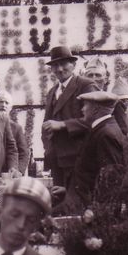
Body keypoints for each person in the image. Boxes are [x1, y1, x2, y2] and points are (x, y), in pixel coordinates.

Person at [53, 90, 125, 214]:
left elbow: (111, 178)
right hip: (80, 200)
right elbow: (90, 172)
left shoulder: (106, 134)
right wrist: (68, 190)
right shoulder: (102, 129)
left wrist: (94, 212)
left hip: (87, 207)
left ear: (95, 110)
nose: (82, 110)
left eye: (85, 105)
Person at [42, 45, 98, 188]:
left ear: (73, 65)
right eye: (55, 66)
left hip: (78, 159)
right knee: (59, 198)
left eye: (63, 64)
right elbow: (46, 125)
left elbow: (94, 119)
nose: (60, 69)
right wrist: (48, 149)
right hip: (56, 161)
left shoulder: (85, 85)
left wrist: (63, 125)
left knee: (76, 199)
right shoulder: (52, 92)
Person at [0, 90, 30, 175]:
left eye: (6, 103)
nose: (3, 105)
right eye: (1, 101)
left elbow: (24, 153)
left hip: (10, 173)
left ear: (10, 108)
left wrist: (19, 171)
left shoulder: (16, 128)